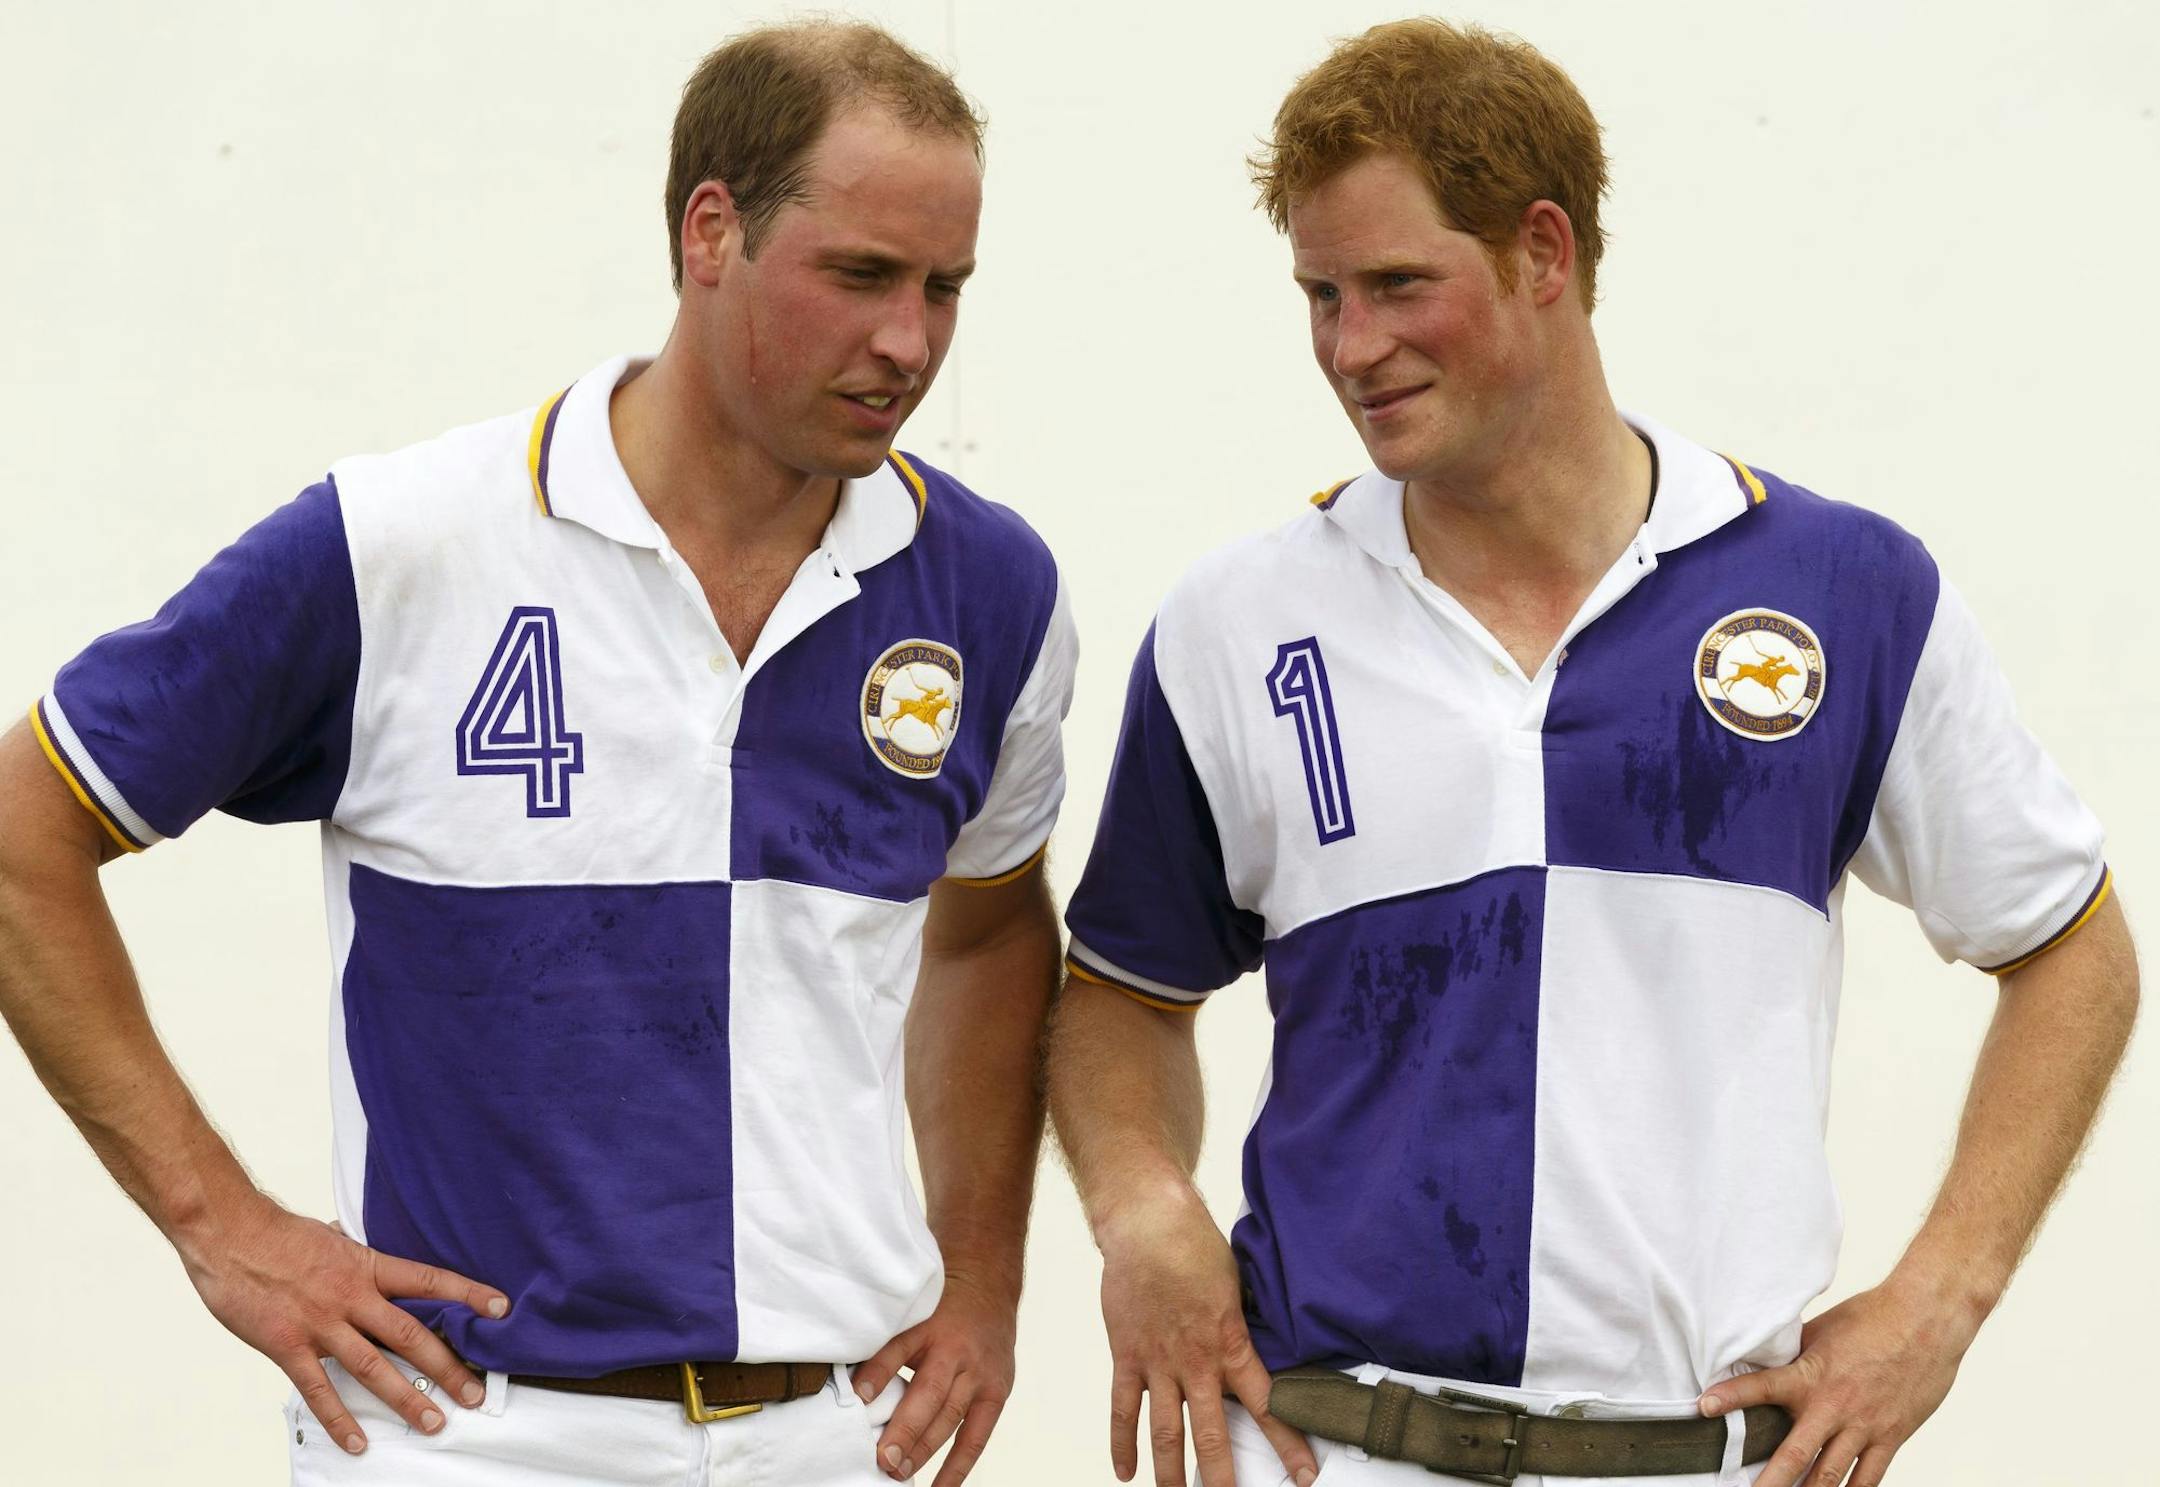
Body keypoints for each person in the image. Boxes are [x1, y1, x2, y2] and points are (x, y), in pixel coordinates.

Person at [1046, 18, 2137, 1487]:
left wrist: (1942, 1301)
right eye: (1320, 296)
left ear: (1543, 252)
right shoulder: (1235, 622)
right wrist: (1138, 1209)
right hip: (1331, 1447)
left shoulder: (1845, 590)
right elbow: (1122, 994)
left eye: (1397, 286)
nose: (1350, 349)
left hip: (1706, 1456)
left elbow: (2069, 948)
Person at [0, 19, 1072, 1487]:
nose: (910, 343)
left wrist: (985, 1282)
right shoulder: (401, 545)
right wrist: (223, 1230)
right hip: (471, 1438)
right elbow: (24, 833)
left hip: (841, 1438)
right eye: (863, 275)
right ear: (711, 232)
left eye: (945, 288)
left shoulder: (992, 589)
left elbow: (992, 927)